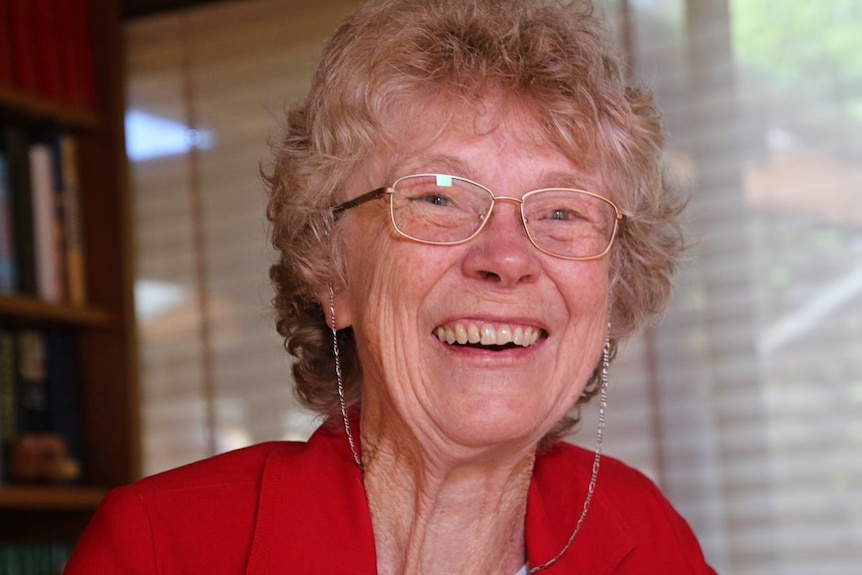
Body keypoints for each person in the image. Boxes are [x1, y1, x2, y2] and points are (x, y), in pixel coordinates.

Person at [65, 0, 718, 573]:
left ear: (611, 294)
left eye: (563, 212)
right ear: (331, 272)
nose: (507, 258)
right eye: (437, 198)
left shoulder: (645, 538)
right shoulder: (163, 547)